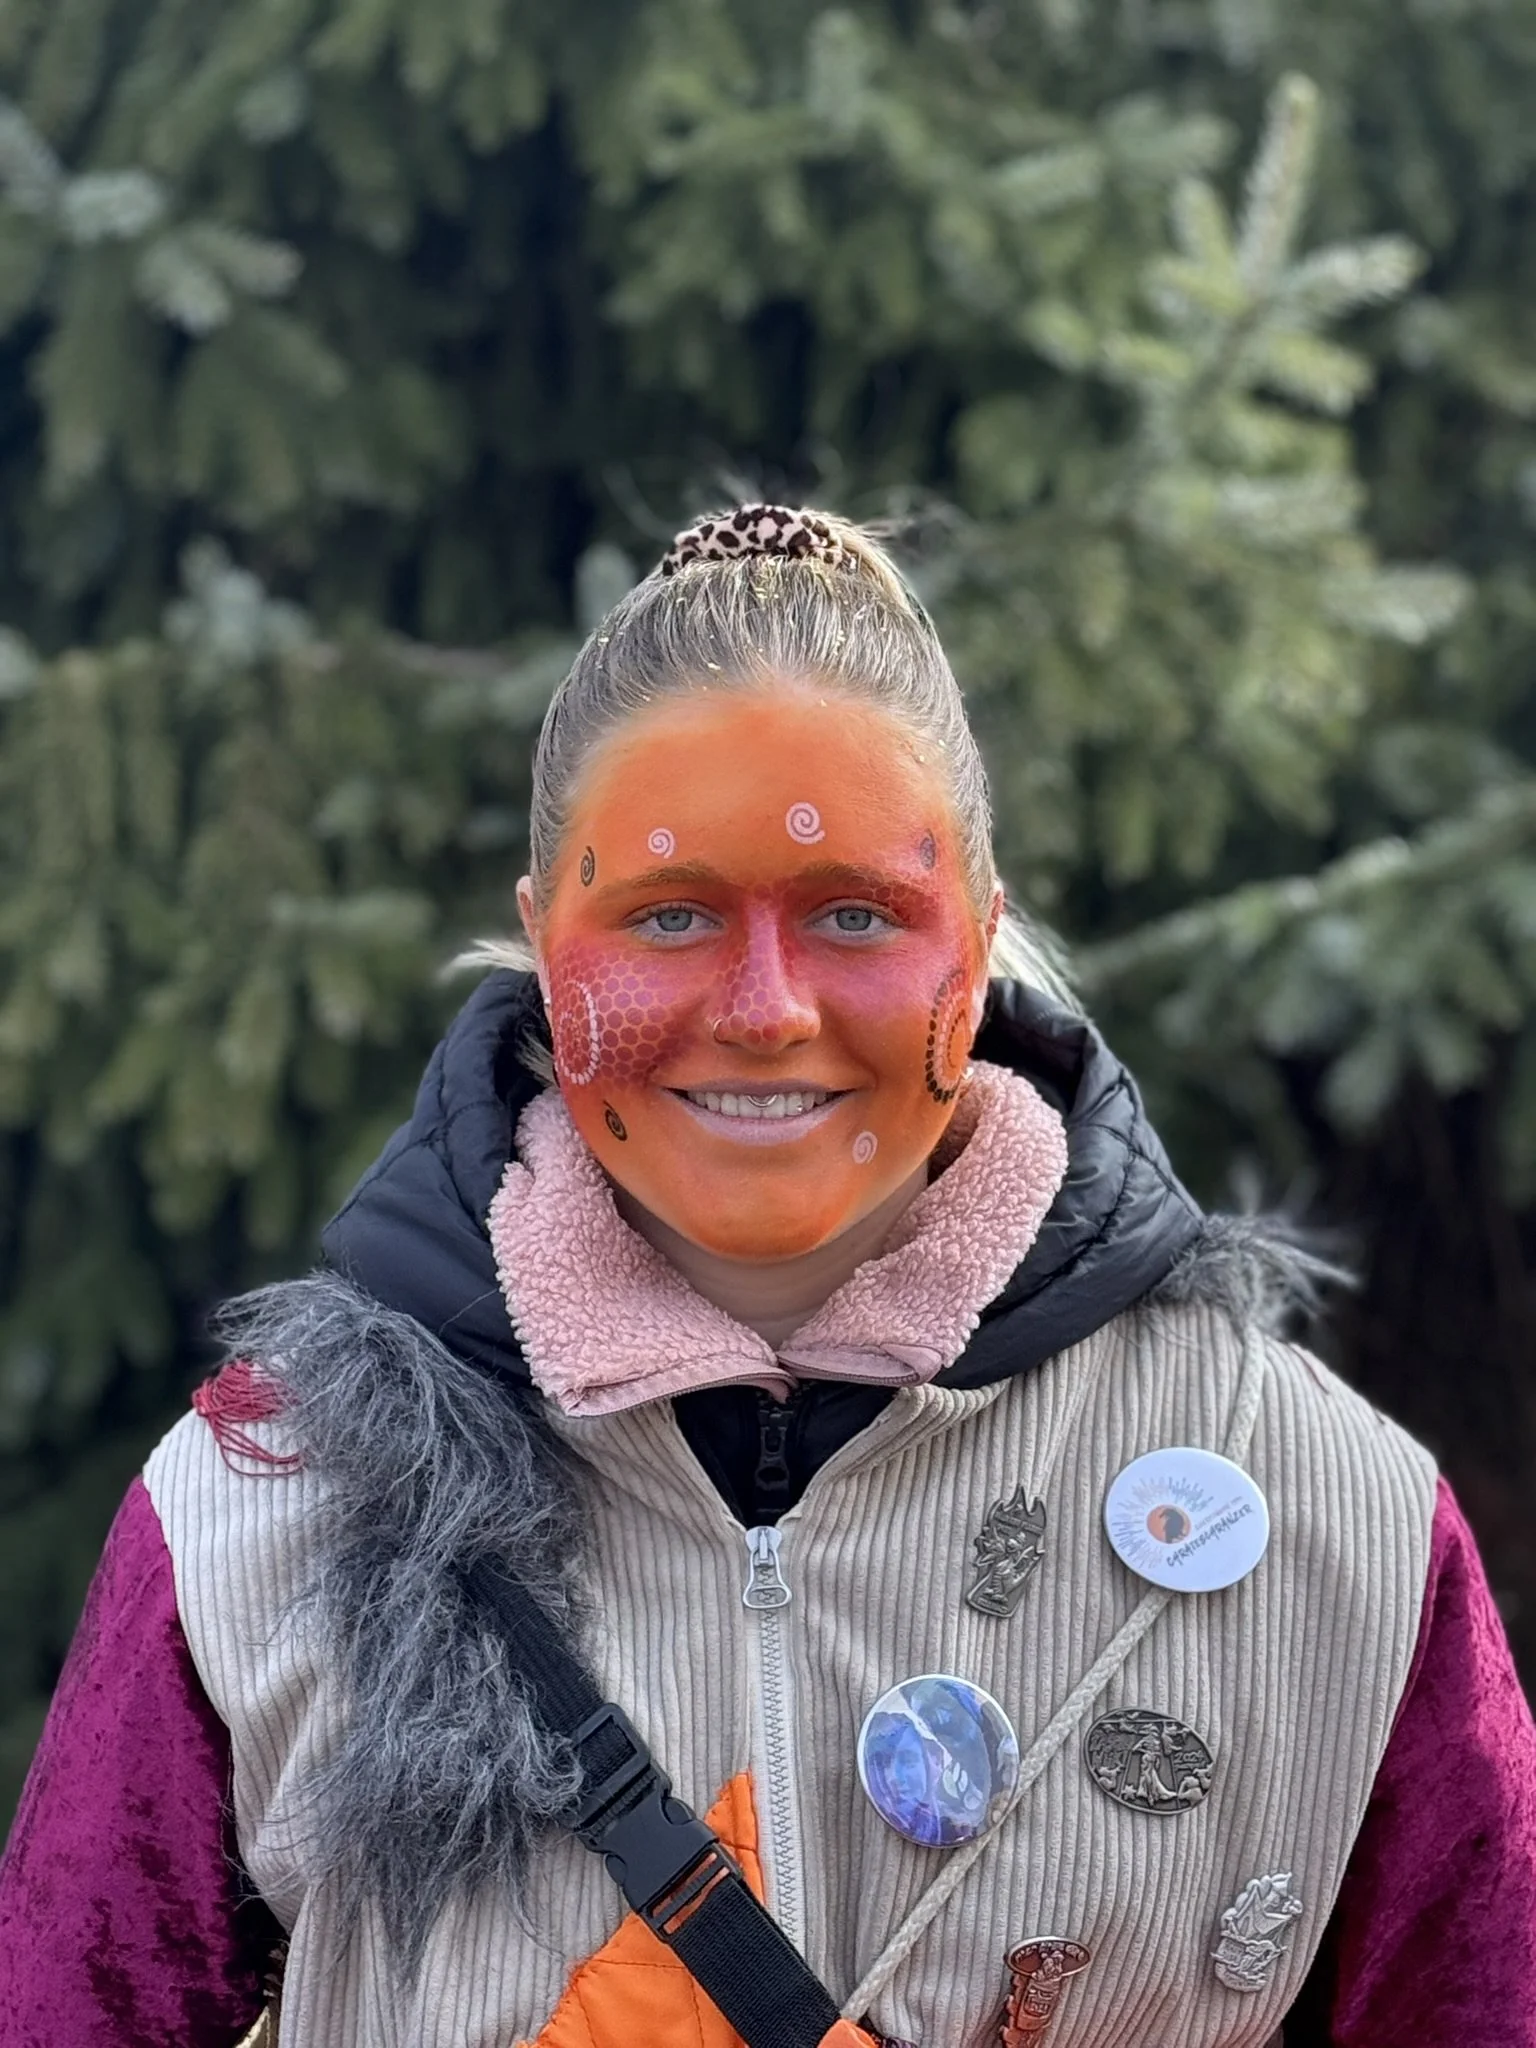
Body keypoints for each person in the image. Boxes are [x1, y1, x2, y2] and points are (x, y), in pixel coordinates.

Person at [2, 503, 1534, 2047]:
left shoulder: (1326, 1520)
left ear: (981, 941)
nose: (764, 1008)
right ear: (546, 946)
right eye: (668, 916)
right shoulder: (268, 1509)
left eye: (856, 914)